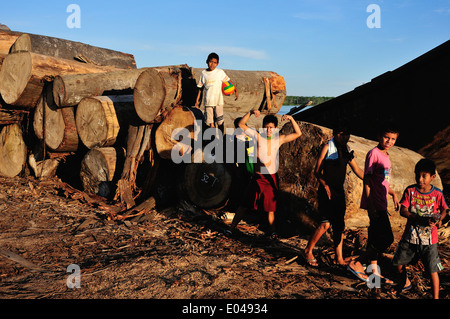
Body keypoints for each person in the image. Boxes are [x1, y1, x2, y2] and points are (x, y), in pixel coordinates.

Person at [226, 110, 302, 237]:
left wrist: (291, 119)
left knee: (270, 208)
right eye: (266, 127)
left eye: (271, 128)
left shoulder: (279, 139)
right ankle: (231, 228)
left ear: (276, 128)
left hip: (270, 177)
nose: (268, 130)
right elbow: (241, 124)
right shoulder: (257, 136)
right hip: (257, 177)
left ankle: (272, 232)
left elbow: (298, 133)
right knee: (245, 204)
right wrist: (250, 112)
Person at [303, 125, 364, 267]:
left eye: (347, 135)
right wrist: (324, 185)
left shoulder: (347, 149)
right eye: (342, 134)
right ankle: (307, 250)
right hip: (326, 191)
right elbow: (317, 171)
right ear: (336, 134)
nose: (345, 138)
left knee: (338, 226)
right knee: (325, 224)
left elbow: (356, 169)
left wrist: (369, 179)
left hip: (339, 192)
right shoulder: (327, 147)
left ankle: (339, 258)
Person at [347, 126, 400, 283]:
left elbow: (382, 181)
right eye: (386, 137)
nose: (389, 141)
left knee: (375, 238)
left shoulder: (386, 155)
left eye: (393, 139)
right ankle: (356, 262)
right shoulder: (374, 154)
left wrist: (393, 194)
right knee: (386, 238)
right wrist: (370, 203)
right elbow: (368, 180)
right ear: (379, 136)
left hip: (382, 200)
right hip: (375, 202)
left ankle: (374, 272)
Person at [391, 159, 448, 299]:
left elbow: (444, 210)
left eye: (424, 176)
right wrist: (417, 218)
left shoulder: (437, 194)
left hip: (430, 241)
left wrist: (439, 219)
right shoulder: (410, 191)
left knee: (433, 270)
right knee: (398, 263)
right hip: (410, 237)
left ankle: (435, 297)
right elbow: (403, 210)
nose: (420, 179)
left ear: (432, 177)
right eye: (418, 175)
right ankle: (404, 282)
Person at [195, 52, 238, 133]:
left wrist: (236, 91)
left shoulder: (220, 72)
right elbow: (200, 88)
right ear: (207, 61)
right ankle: (212, 140)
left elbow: (228, 81)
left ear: (217, 64)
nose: (212, 64)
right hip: (208, 102)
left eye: (215, 62)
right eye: (211, 62)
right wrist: (197, 101)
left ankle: (221, 139)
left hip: (218, 101)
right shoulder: (203, 73)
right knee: (210, 123)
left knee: (220, 122)